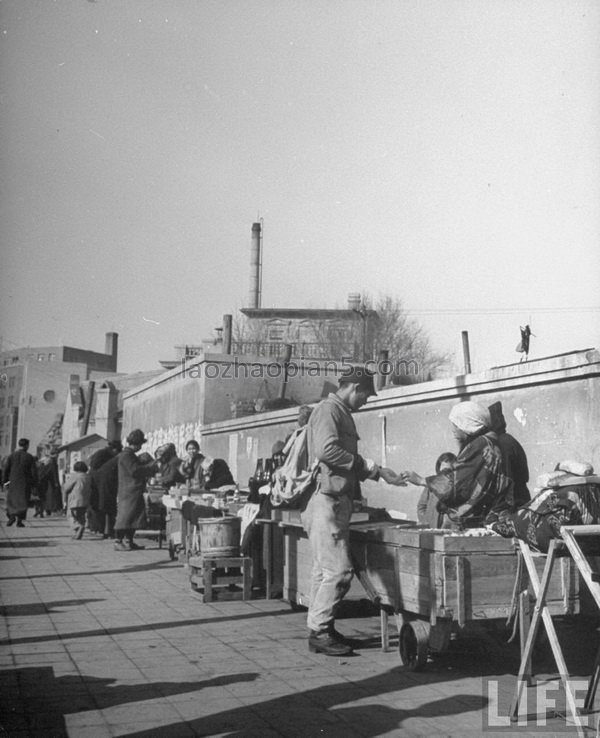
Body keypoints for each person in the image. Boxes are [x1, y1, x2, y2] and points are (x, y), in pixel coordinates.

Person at [300, 366, 405, 656]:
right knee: (339, 571)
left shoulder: (339, 413)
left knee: (324, 571)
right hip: (325, 500)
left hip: (333, 499)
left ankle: (322, 626)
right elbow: (327, 451)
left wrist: (379, 473)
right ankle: (320, 632)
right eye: (366, 396)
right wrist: (370, 468)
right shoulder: (328, 411)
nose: (366, 402)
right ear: (354, 388)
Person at [402, 400, 514, 529]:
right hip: (492, 517)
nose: (453, 430)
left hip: (477, 522)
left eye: (456, 425)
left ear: (467, 425)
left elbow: (456, 484)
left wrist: (420, 480)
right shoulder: (492, 443)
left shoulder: (479, 445)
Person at [114, 429, 159, 551]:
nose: (140, 447)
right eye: (140, 444)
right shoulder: (126, 455)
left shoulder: (129, 455)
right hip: (129, 490)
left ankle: (129, 541)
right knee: (125, 517)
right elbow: (135, 471)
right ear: (136, 444)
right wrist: (151, 468)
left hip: (133, 490)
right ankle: (118, 541)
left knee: (134, 518)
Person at [488, 402, 531, 507]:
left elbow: (507, 479)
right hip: (520, 495)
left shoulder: (503, 444)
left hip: (516, 500)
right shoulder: (507, 440)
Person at [416, 452, 457, 527]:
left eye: (449, 470)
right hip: (431, 527)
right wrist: (425, 521)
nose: (445, 473)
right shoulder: (431, 483)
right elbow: (421, 505)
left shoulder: (457, 486)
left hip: (449, 528)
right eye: (443, 466)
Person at [4, 438, 38, 527]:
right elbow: (33, 472)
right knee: (23, 501)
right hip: (25, 483)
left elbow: (6, 470)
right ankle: (19, 521)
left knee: (12, 500)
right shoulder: (29, 457)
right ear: (26, 445)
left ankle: (11, 516)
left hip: (13, 482)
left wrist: (5, 482)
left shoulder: (11, 456)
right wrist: (34, 484)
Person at [63, 461, 90, 540]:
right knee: (81, 517)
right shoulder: (88, 477)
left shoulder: (75, 476)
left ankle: (79, 528)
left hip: (75, 500)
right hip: (85, 500)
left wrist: (64, 500)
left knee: (71, 516)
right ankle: (78, 532)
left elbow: (66, 488)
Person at [36, 447, 61, 516]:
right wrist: (56, 482)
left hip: (47, 482)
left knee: (48, 496)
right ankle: (52, 510)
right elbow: (54, 473)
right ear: (55, 454)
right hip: (52, 482)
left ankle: (46, 510)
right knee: (52, 497)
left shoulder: (47, 461)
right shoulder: (53, 462)